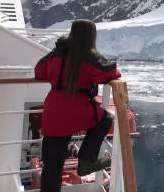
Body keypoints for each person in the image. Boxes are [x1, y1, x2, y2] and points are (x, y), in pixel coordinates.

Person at [34, 19, 121, 192]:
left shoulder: (57, 53)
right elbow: (110, 72)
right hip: (77, 109)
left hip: (54, 109)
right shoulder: (88, 55)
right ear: (91, 36)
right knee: (104, 119)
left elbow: (39, 71)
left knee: (52, 166)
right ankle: (86, 160)